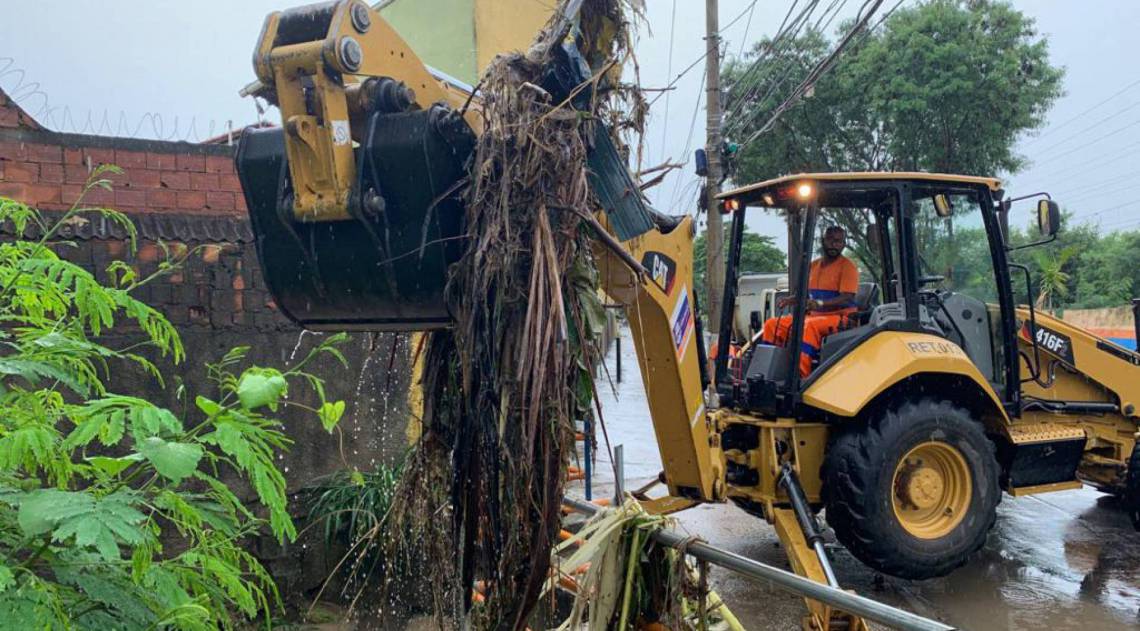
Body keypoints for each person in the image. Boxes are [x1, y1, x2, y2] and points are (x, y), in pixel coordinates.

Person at [759, 225, 858, 377]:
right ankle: (768, 371)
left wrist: (820, 304)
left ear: (844, 244)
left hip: (839, 317)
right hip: (814, 316)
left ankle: (800, 377)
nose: (834, 244)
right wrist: (791, 300)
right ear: (823, 241)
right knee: (771, 324)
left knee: (806, 327)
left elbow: (847, 297)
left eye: (839, 241)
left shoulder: (848, 267)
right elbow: (805, 295)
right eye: (831, 240)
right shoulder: (813, 266)